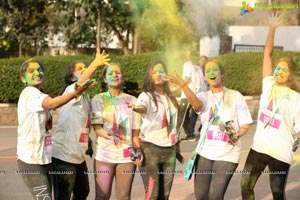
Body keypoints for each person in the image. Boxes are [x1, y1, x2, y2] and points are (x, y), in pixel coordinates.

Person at [168, 59, 253, 200]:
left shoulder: (235, 96)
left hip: (228, 154)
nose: (211, 73)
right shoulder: (204, 96)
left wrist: (237, 135)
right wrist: (183, 85)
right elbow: (197, 104)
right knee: (201, 196)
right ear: (205, 78)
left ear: (222, 74)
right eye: (208, 71)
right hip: (205, 153)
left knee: (215, 196)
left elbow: (245, 125)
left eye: (215, 70)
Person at [241, 13, 300, 200]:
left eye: (284, 69)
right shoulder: (268, 84)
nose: (279, 71)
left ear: (290, 76)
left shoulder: (295, 98)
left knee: (277, 194)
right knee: (245, 187)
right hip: (259, 148)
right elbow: (267, 53)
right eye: (278, 68)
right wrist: (272, 29)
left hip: (281, 154)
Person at [17, 58, 91, 199]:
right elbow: (52, 104)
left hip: (45, 158)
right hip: (31, 160)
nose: (37, 73)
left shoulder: (39, 93)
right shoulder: (29, 93)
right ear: (23, 78)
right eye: (31, 71)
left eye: (39, 70)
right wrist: (74, 93)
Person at [52, 50, 110, 200]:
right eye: (81, 69)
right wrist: (95, 64)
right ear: (71, 76)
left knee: (82, 192)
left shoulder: (85, 97)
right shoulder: (70, 91)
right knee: (63, 196)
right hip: (63, 156)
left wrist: (88, 143)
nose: (85, 70)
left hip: (78, 156)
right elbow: (79, 84)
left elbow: (83, 123)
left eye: (86, 68)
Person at [91, 63, 142, 200]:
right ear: (104, 79)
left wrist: (137, 152)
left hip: (126, 156)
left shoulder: (133, 101)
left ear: (122, 76)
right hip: (104, 156)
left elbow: (135, 134)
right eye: (110, 73)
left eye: (117, 73)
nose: (114, 75)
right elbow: (97, 128)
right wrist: (108, 135)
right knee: (102, 196)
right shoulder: (98, 99)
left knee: (124, 196)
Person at [130, 60, 179, 200]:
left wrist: (177, 144)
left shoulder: (171, 98)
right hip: (149, 147)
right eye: (154, 72)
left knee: (165, 193)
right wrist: (136, 108)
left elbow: (174, 123)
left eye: (161, 71)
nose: (158, 74)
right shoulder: (145, 96)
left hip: (170, 148)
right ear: (149, 76)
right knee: (153, 193)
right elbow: (142, 107)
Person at [178, 50, 198, 141]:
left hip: (187, 95)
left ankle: (178, 134)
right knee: (184, 115)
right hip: (188, 93)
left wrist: (178, 86)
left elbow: (187, 78)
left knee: (181, 115)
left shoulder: (186, 65)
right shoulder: (190, 65)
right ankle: (190, 134)